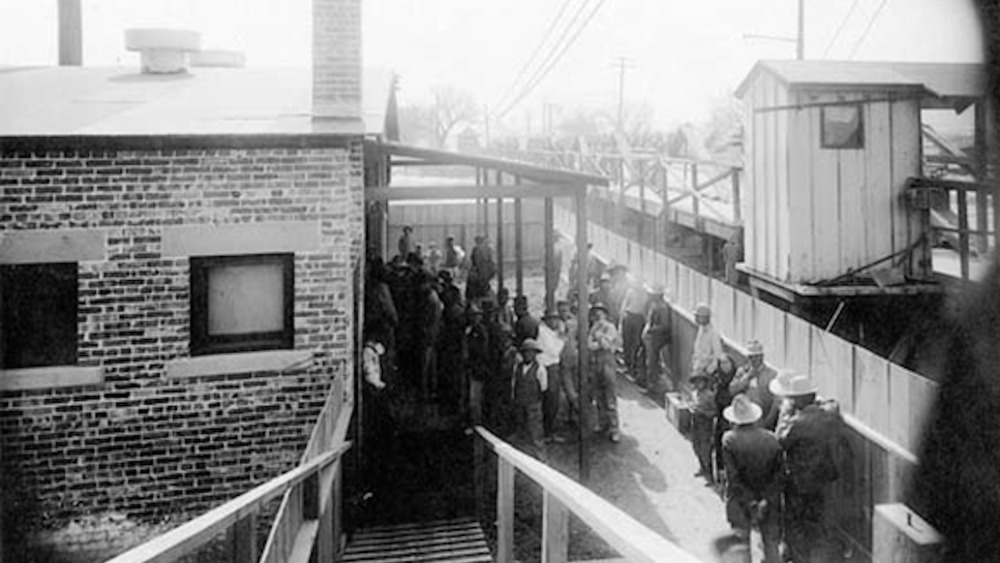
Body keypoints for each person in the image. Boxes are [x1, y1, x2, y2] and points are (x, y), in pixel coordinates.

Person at [770, 371, 843, 563]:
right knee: (818, 522)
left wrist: (785, 416)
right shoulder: (828, 416)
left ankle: (798, 558)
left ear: (799, 400)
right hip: (822, 480)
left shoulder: (797, 423)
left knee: (796, 524)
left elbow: (780, 442)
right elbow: (833, 405)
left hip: (799, 482)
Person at [721, 394, 784, 563]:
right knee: (771, 545)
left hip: (740, 502)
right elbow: (778, 476)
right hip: (769, 502)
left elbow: (733, 478)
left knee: (741, 547)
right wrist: (764, 500)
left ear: (734, 419)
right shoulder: (771, 439)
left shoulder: (729, 440)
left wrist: (751, 502)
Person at [588, 304, 622, 442]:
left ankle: (615, 429)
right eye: (595, 313)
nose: (598, 316)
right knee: (598, 395)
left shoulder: (610, 327)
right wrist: (597, 338)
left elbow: (606, 345)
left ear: (605, 315)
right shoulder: (593, 328)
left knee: (610, 398)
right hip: (596, 363)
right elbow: (590, 345)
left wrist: (599, 337)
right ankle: (603, 423)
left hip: (607, 363)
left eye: (600, 313)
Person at [511, 339, 548, 461]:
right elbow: (514, 384)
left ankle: (541, 457)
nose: (528, 355)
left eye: (531, 353)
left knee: (536, 430)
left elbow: (543, 388)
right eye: (526, 352)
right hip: (520, 402)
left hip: (533, 404)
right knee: (520, 427)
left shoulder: (540, 369)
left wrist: (537, 402)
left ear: (535, 354)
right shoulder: (518, 367)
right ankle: (520, 455)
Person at [729, 340, 779, 430]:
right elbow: (732, 390)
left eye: (756, 357)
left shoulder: (771, 374)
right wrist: (747, 377)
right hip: (743, 417)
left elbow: (776, 401)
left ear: (762, 357)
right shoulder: (742, 372)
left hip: (762, 417)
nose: (753, 360)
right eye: (751, 357)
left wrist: (769, 420)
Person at [539, 310, 567, 443]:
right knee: (550, 401)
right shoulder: (543, 332)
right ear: (547, 320)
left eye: (557, 319)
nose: (556, 322)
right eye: (553, 319)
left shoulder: (551, 332)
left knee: (553, 401)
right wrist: (561, 339)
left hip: (553, 367)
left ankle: (549, 431)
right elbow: (555, 352)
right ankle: (547, 432)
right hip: (548, 368)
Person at [642, 283, 672, 394]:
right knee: (649, 362)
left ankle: (653, 387)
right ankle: (650, 385)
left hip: (655, 339)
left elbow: (665, 326)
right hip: (651, 338)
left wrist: (651, 329)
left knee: (652, 363)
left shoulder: (662, 308)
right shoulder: (654, 305)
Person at [464, 303, 490, 427]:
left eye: (476, 316)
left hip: (478, 367)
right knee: (471, 396)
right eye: (472, 316)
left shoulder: (480, 331)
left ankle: (477, 423)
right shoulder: (469, 330)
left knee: (475, 397)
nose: (474, 318)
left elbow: (482, 351)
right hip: (471, 367)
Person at [688, 371, 717, 481]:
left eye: (700, 381)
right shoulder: (694, 393)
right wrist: (692, 408)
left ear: (705, 382)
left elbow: (715, 412)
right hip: (695, 422)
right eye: (696, 382)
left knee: (706, 449)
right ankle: (702, 467)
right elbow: (692, 404)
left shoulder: (709, 395)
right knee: (696, 446)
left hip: (705, 424)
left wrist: (704, 412)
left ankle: (709, 474)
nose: (698, 384)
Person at [619, 280, 649, 383]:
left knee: (636, 342)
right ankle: (627, 364)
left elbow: (645, 309)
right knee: (627, 340)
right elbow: (624, 304)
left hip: (639, 318)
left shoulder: (645, 295)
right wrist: (622, 315)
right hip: (629, 315)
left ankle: (633, 365)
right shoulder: (630, 292)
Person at [691, 303, 724, 380]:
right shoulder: (701, 330)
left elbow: (718, 356)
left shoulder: (713, 334)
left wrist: (709, 371)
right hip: (698, 370)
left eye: (698, 316)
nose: (696, 318)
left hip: (707, 374)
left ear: (705, 318)